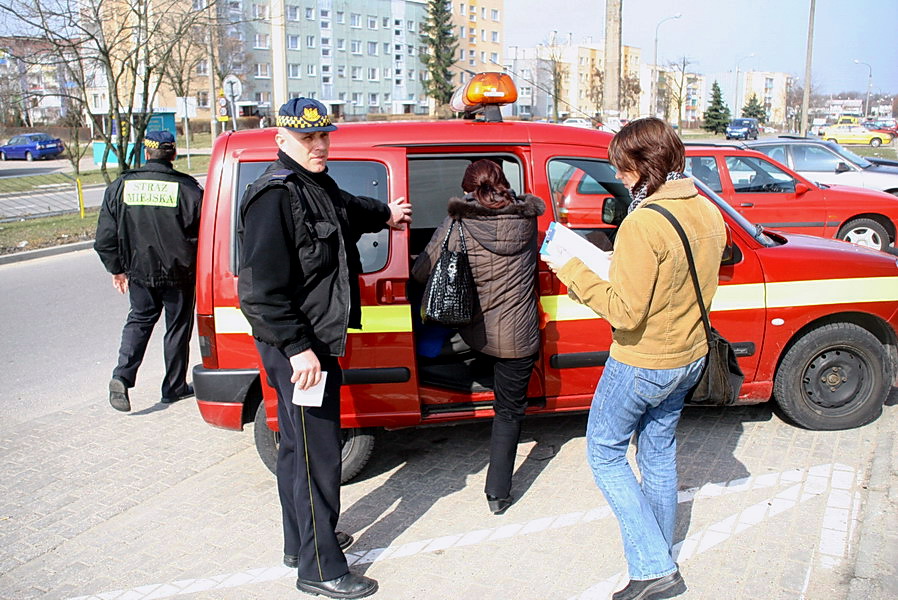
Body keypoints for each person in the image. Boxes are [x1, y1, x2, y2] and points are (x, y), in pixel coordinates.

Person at [544, 118, 726, 600]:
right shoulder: (707, 211)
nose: (619, 177)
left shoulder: (643, 222)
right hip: (689, 354)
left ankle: (652, 567)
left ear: (645, 167)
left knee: (604, 453)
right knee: (658, 453)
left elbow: (626, 312)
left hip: (643, 359)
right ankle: (658, 554)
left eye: (622, 168)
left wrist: (572, 270)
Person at [237, 97, 411, 600]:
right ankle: (320, 570)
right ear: (281, 139)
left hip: (308, 343)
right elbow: (260, 291)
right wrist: (298, 349)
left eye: (323, 136)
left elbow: (350, 212)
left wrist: (388, 214)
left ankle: (301, 543)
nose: (318, 145)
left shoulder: (317, 185)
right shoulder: (275, 196)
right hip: (300, 348)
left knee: (296, 449)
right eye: (307, 137)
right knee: (319, 454)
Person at [411, 159, 545, 515]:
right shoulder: (527, 219)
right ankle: (497, 493)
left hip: (477, 331)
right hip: (519, 336)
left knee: (451, 350)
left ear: (469, 188)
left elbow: (421, 271)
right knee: (509, 411)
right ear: (502, 182)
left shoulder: (459, 221)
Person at [95, 130, 203, 412]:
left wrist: (117, 269)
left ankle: (122, 376)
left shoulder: (120, 186)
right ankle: (174, 386)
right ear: (174, 154)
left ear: (146, 153)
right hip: (179, 274)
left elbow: (104, 237)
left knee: (139, 321)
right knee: (177, 329)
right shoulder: (189, 189)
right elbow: (205, 235)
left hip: (139, 272)